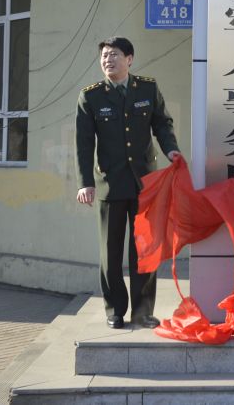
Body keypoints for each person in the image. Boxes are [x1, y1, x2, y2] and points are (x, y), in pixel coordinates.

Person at [75, 37, 180, 329]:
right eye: (105, 56)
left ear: (130, 59)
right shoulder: (91, 96)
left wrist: (171, 148)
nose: (108, 60)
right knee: (110, 252)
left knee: (145, 251)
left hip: (145, 183)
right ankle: (115, 310)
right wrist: (85, 182)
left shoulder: (147, 88)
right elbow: (83, 144)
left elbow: (162, 124)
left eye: (115, 55)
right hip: (109, 183)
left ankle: (143, 312)